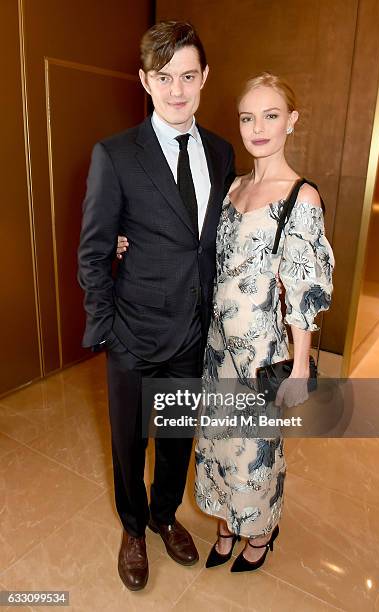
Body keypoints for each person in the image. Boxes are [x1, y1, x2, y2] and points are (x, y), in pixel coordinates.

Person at [78, 21, 235, 591]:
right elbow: (94, 251)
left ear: (204, 78)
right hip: (132, 334)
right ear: (145, 80)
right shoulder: (115, 155)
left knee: (176, 441)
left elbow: (215, 238)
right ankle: (132, 528)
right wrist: (108, 331)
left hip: (193, 334)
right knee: (128, 444)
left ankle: (164, 514)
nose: (177, 90)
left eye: (188, 76)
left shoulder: (220, 152)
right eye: (164, 77)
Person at [193, 73, 335, 572]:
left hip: (260, 352)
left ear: (290, 121)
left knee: (255, 453)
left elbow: (304, 294)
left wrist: (299, 368)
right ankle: (228, 526)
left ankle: (260, 533)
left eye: (270, 115)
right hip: (217, 348)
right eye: (248, 117)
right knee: (216, 442)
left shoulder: (301, 197)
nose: (258, 127)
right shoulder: (232, 187)